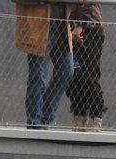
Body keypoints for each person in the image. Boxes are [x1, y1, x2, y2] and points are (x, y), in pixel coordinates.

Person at [15, 1, 75, 130]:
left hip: (62, 27)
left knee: (66, 71)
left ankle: (43, 118)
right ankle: (35, 122)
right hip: (39, 28)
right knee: (38, 76)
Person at [66, 2, 105, 132]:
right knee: (74, 77)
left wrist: (80, 25)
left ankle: (96, 116)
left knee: (89, 76)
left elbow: (89, 4)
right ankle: (79, 115)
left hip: (91, 31)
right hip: (68, 30)